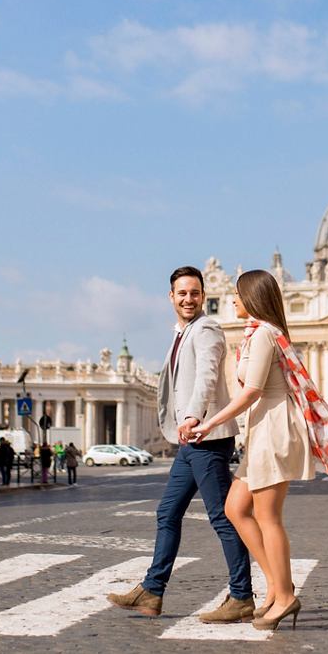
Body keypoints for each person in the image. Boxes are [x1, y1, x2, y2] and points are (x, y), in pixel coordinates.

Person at [189, 269, 328, 632]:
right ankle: (279, 586)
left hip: (274, 429)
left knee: (267, 516)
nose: (232, 299)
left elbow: (252, 392)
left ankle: (285, 594)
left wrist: (210, 423)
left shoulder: (263, 335)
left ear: (253, 298)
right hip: (264, 429)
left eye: (237, 294)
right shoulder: (258, 334)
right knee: (235, 508)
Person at [107, 266, 253, 622]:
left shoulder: (206, 330)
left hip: (206, 436)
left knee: (222, 517)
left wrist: (192, 415)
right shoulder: (183, 331)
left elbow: (205, 375)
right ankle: (152, 590)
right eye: (182, 293)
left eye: (195, 293)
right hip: (191, 442)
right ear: (171, 297)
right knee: (167, 512)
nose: (189, 299)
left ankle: (241, 595)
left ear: (203, 296)